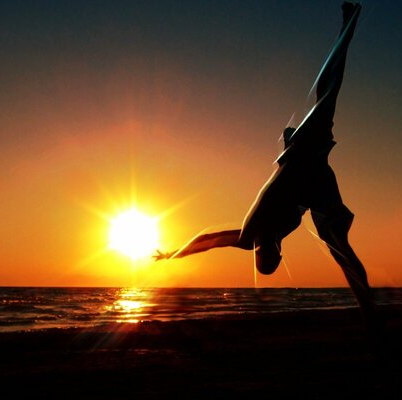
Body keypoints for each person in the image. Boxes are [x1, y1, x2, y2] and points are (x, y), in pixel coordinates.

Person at [155, 2, 379, 331]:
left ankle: (348, 24)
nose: (263, 246)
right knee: (337, 241)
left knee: (327, 94)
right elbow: (214, 238)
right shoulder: (272, 234)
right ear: (278, 253)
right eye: (268, 252)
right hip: (313, 180)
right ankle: (370, 311)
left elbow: (210, 238)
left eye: (261, 252)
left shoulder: (248, 236)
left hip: (302, 157)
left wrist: (174, 254)